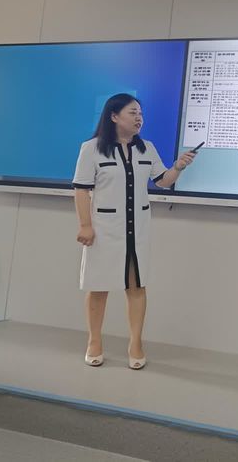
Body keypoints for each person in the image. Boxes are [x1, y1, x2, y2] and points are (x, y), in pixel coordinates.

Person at [72, 93, 197, 369]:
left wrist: (178, 167)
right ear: (113, 116)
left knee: (137, 285)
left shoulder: (146, 148)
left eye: (140, 113)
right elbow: (81, 190)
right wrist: (85, 225)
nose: (139, 118)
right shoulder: (91, 149)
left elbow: (162, 181)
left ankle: (136, 343)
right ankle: (94, 341)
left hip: (137, 230)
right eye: (133, 112)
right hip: (104, 230)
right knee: (98, 286)